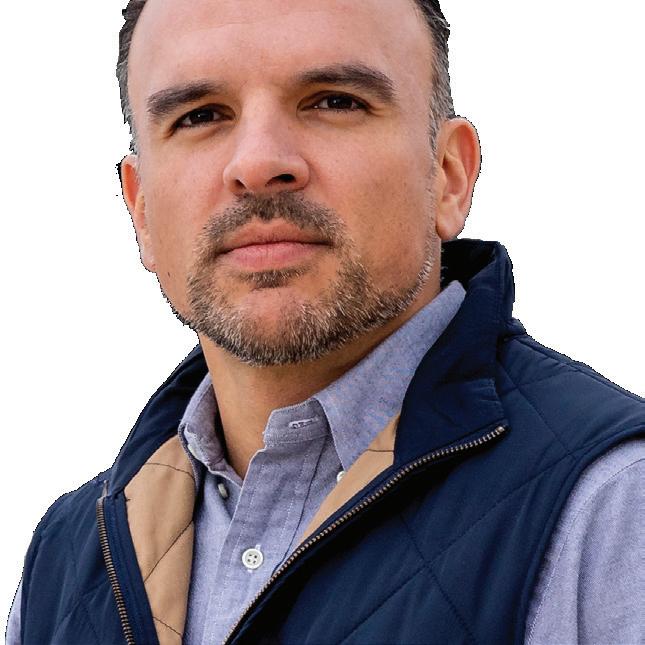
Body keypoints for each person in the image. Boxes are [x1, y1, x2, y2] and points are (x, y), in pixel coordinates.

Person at [6, 0, 644, 643]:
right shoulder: (63, 565)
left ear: (449, 177)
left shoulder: (615, 506)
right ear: (141, 209)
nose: (258, 165)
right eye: (200, 116)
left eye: (334, 102)